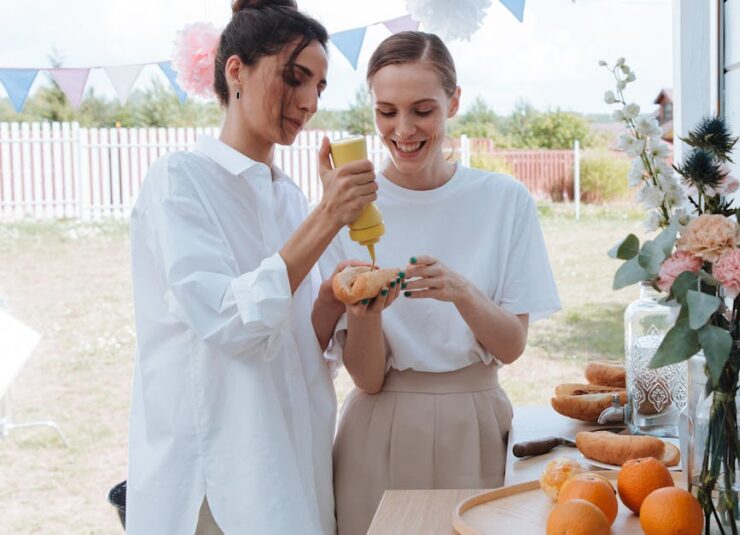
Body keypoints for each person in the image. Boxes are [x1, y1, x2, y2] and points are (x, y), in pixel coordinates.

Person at [126, 1, 376, 533]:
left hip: (291, 463)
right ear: (236, 70)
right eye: (295, 77)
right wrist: (328, 216)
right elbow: (231, 323)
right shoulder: (179, 181)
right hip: (219, 477)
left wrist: (336, 299)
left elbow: (298, 344)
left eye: (320, 87)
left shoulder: (289, 199)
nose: (309, 102)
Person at [323, 31, 561, 535]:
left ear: (454, 102)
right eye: (386, 111)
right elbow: (366, 380)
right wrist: (365, 317)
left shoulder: (504, 200)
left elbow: (512, 346)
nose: (403, 129)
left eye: (422, 110)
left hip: (475, 425)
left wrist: (462, 292)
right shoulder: (348, 207)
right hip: (376, 430)